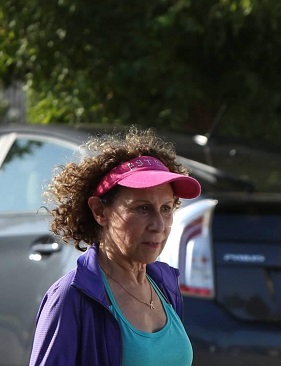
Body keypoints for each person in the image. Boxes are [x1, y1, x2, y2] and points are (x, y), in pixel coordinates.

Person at [29, 127, 201, 365]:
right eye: (142, 208)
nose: (159, 225)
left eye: (166, 208)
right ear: (100, 211)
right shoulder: (71, 297)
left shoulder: (165, 285)